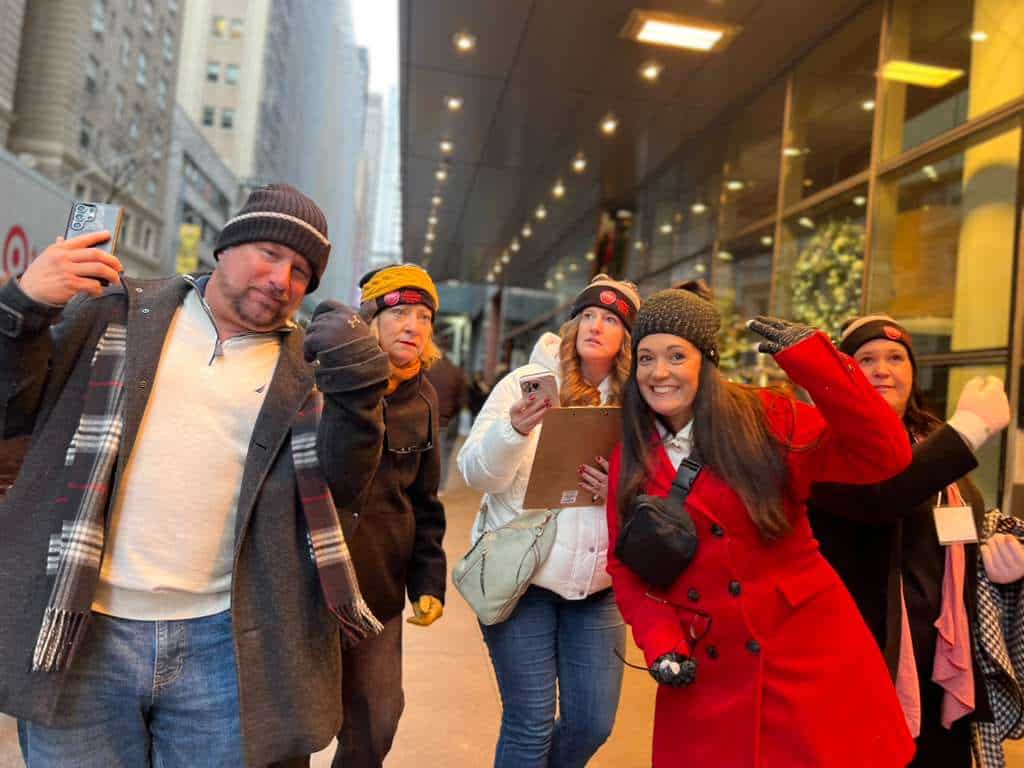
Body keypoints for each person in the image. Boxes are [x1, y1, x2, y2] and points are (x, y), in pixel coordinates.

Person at [0, 184, 389, 767]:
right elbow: (11, 411)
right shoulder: (115, 313)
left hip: (224, 647)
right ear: (225, 247)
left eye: (302, 272)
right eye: (270, 254)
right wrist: (22, 307)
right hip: (84, 630)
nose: (281, 279)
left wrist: (359, 393)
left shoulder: (305, 369)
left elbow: (343, 487)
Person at [606, 285, 916, 767]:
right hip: (707, 669)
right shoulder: (630, 455)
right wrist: (662, 643)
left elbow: (884, 454)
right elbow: (626, 568)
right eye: (646, 358)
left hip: (804, 654)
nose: (659, 372)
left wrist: (816, 363)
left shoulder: (768, 418)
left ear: (706, 361)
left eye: (676, 355)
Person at [807, 314, 1020, 767]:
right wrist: (966, 431)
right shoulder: (824, 443)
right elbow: (883, 498)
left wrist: (998, 560)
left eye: (895, 358)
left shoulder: (931, 442)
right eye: (866, 359)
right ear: (844, 373)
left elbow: (962, 529)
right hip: (865, 666)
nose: (883, 369)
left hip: (942, 669)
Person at [458, 274, 641, 768]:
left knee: (592, 724)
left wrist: (620, 491)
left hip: (598, 589)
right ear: (573, 324)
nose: (595, 326)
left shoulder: (637, 404)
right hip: (522, 581)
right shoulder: (527, 383)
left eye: (610, 319)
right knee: (530, 724)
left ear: (627, 338)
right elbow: (475, 473)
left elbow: (659, 488)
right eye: (588, 315)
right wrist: (514, 430)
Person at [331, 264, 448, 768]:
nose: (413, 327)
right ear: (370, 319)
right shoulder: (328, 381)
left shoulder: (424, 398)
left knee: (376, 722)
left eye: (424, 317)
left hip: (378, 590)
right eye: (400, 313)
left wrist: (428, 579)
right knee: (292, 730)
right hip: (309, 584)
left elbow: (425, 501)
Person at [425, 342, 468, 491]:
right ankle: (440, 486)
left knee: (426, 453)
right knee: (445, 453)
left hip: (429, 417)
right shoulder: (457, 372)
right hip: (450, 419)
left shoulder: (427, 370)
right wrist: (452, 414)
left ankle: (426, 486)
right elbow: (462, 400)